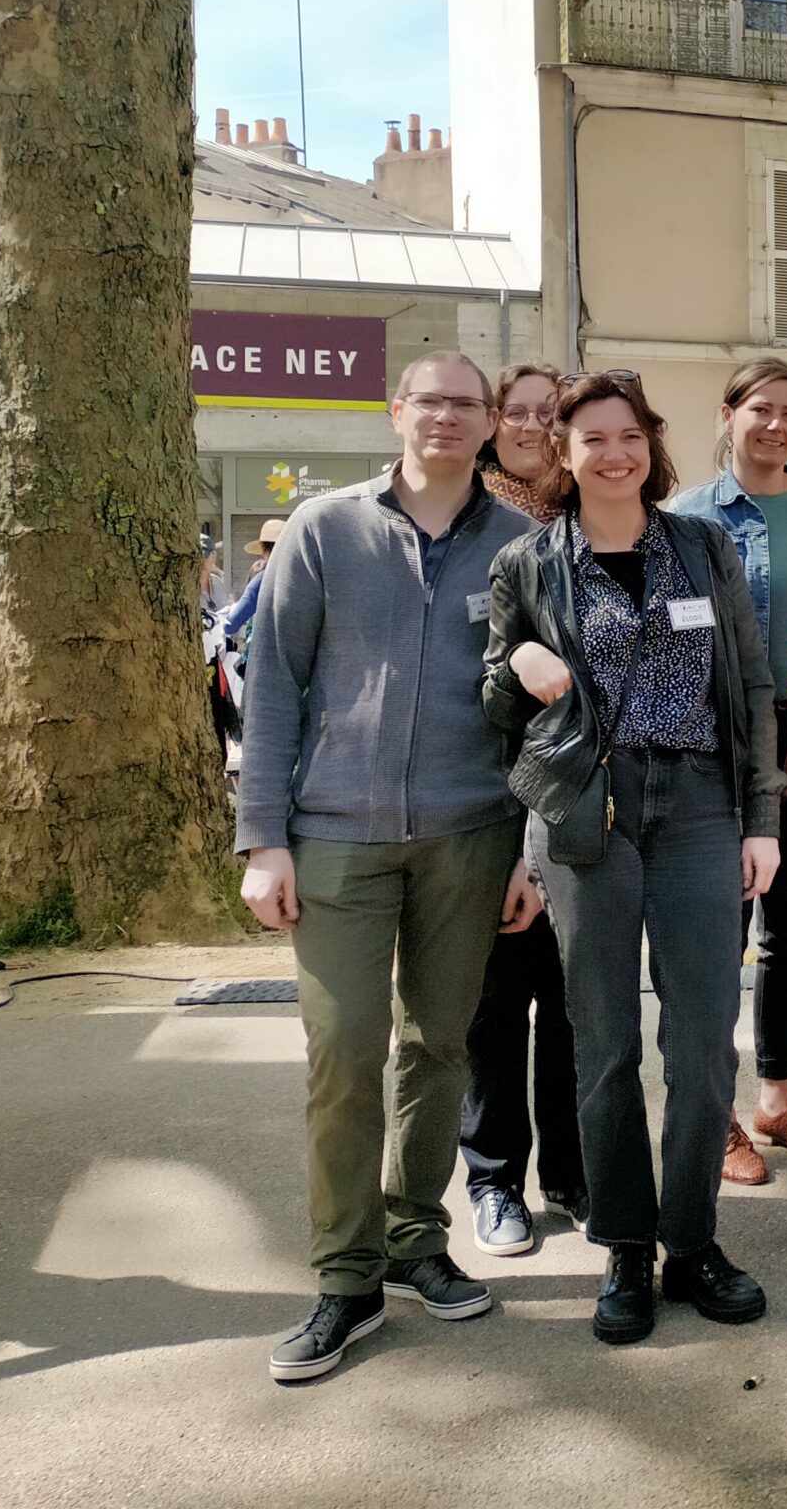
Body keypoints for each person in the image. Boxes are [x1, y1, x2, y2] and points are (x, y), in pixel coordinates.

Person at [238, 352, 541, 1384]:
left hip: (472, 834)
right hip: (335, 833)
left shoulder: (521, 544)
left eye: (468, 403)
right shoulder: (326, 528)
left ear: (491, 420)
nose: (448, 417)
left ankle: (416, 1240)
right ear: (397, 411)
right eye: (432, 401)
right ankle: (345, 1277)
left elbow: (550, 717)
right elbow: (272, 684)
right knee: (344, 1050)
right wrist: (262, 838)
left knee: (438, 1047)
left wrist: (530, 852)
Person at [484, 371, 782, 1344]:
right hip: (586, 819)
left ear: (652, 446)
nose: (614, 453)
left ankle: (693, 1241)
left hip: (696, 807)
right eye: (592, 438)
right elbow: (494, 701)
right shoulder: (530, 564)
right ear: (563, 456)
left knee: (701, 1043)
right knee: (601, 1043)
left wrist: (759, 819)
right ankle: (624, 1244)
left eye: (629, 435)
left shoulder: (701, 549)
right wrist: (520, 666)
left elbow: (748, 685)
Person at [669, 357, 787, 1187]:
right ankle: (716, 1116)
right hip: (720, 749)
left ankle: (776, 1098)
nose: (777, 426)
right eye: (762, 410)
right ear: (728, 414)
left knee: (786, 935)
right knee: (717, 939)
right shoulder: (682, 517)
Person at [457, 359, 584, 1256]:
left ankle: (573, 1174)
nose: (535, 425)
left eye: (553, 413)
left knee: (578, 1006)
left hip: (577, 804)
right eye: (521, 411)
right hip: (484, 799)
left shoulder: (593, 525)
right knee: (496, 1008)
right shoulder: (469, 524)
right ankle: (494, 1178)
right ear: (496, 419)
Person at [479, 361, 563, 523]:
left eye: (547, 412)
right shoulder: (464, 506)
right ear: (492, 429)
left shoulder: (597, 505)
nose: (532, 426)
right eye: (515, 413)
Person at [221, 518, 282, 639]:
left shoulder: (263, 580)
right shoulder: (308, 579)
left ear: (265, 550)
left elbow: (231, 625)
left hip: (266, 654)